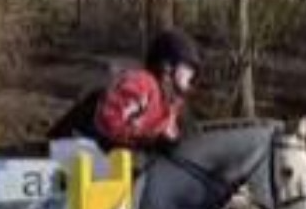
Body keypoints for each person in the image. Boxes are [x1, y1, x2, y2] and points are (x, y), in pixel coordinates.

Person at [47, 27, 202, 163]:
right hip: (72, 145)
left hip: (101, 157)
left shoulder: (172, 107)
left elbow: (183, 147)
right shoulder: (142, 84)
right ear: (167, 67)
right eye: (188, 68)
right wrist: (151, 143)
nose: (192, 75)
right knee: (138, 164)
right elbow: (110, 123)